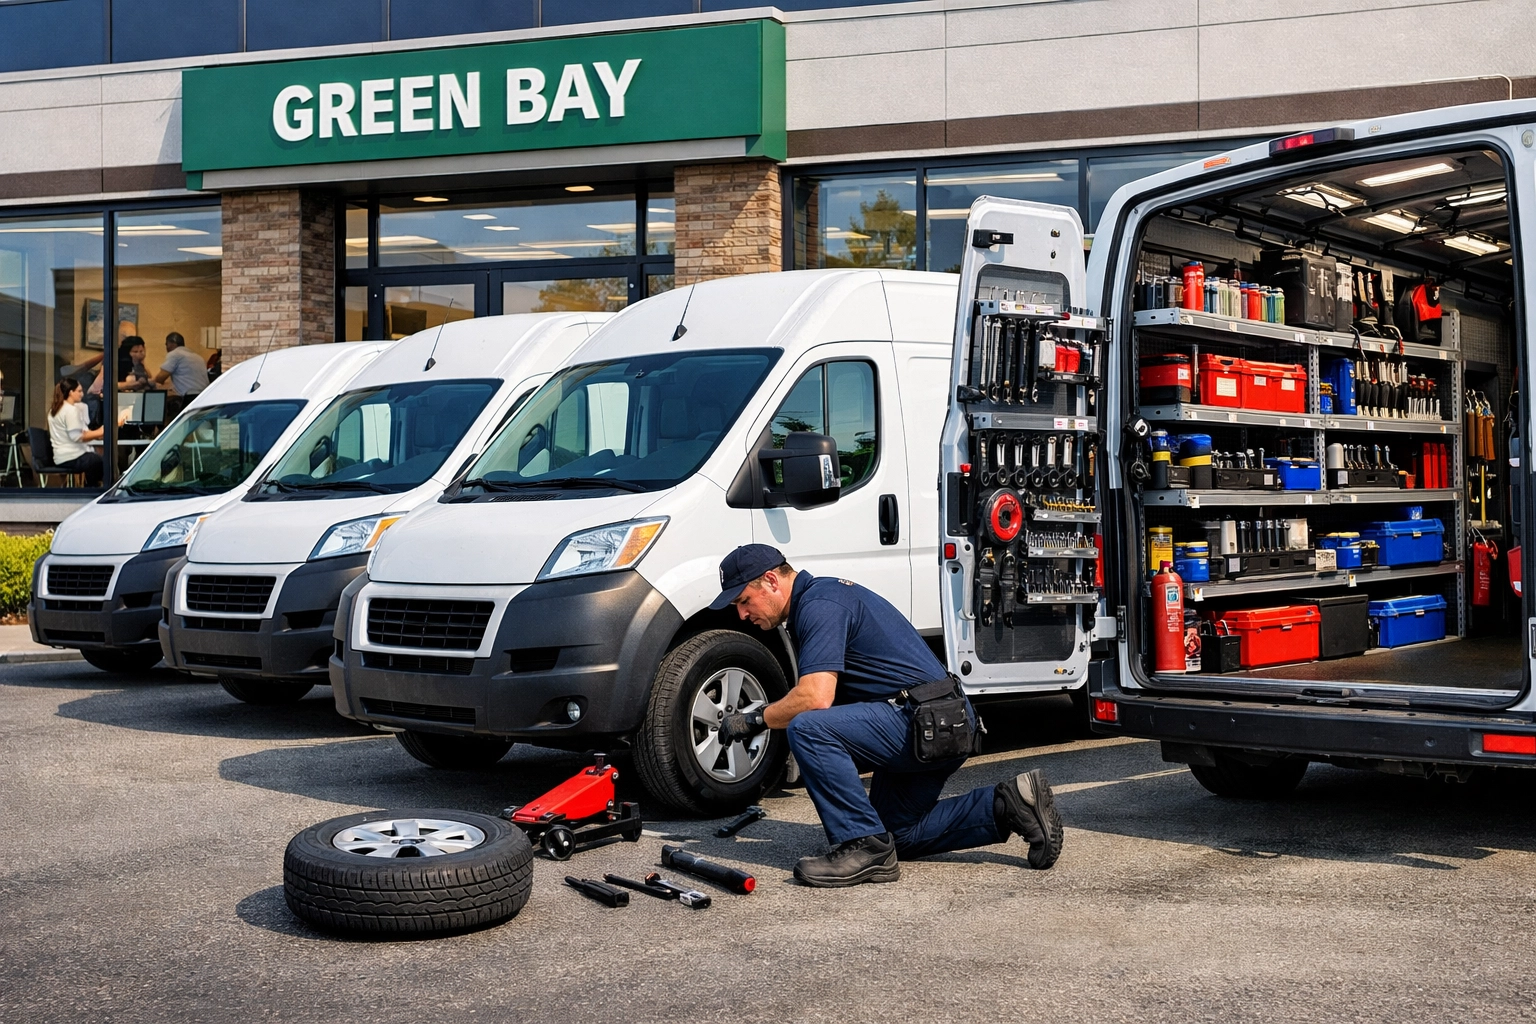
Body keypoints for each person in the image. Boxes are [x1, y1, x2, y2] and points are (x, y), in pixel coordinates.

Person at [710, 544, 1064, 888]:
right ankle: (1010, 803)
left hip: (922, 722)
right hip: (939, 724)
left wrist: (756, 719)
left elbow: (815, 698)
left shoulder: (819, 605)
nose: (742, 614)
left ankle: (863, 846)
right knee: (898, 836)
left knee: (808, 728)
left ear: (772, 581)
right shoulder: (824, 597)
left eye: (744, 601)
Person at [47, 377, 127, 487]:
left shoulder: (55, 410)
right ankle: (100, 489)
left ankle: (93, 487)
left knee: (96, 460)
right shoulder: (70, 410)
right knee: (104, 463)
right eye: (79, 391)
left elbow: (85, 434)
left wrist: (101, 432)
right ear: (71, 392)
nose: (82, 394)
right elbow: (78, 436)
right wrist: (104, 430)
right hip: (72, 457)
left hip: (62, 457)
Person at [153, 332, 209, 397]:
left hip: (188, 397)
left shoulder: (175, 354)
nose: (166, 347)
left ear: (172, 343)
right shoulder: (198, 357)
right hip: (203, 396)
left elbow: (160, 378)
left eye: (166, 344)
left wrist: (150, 381)